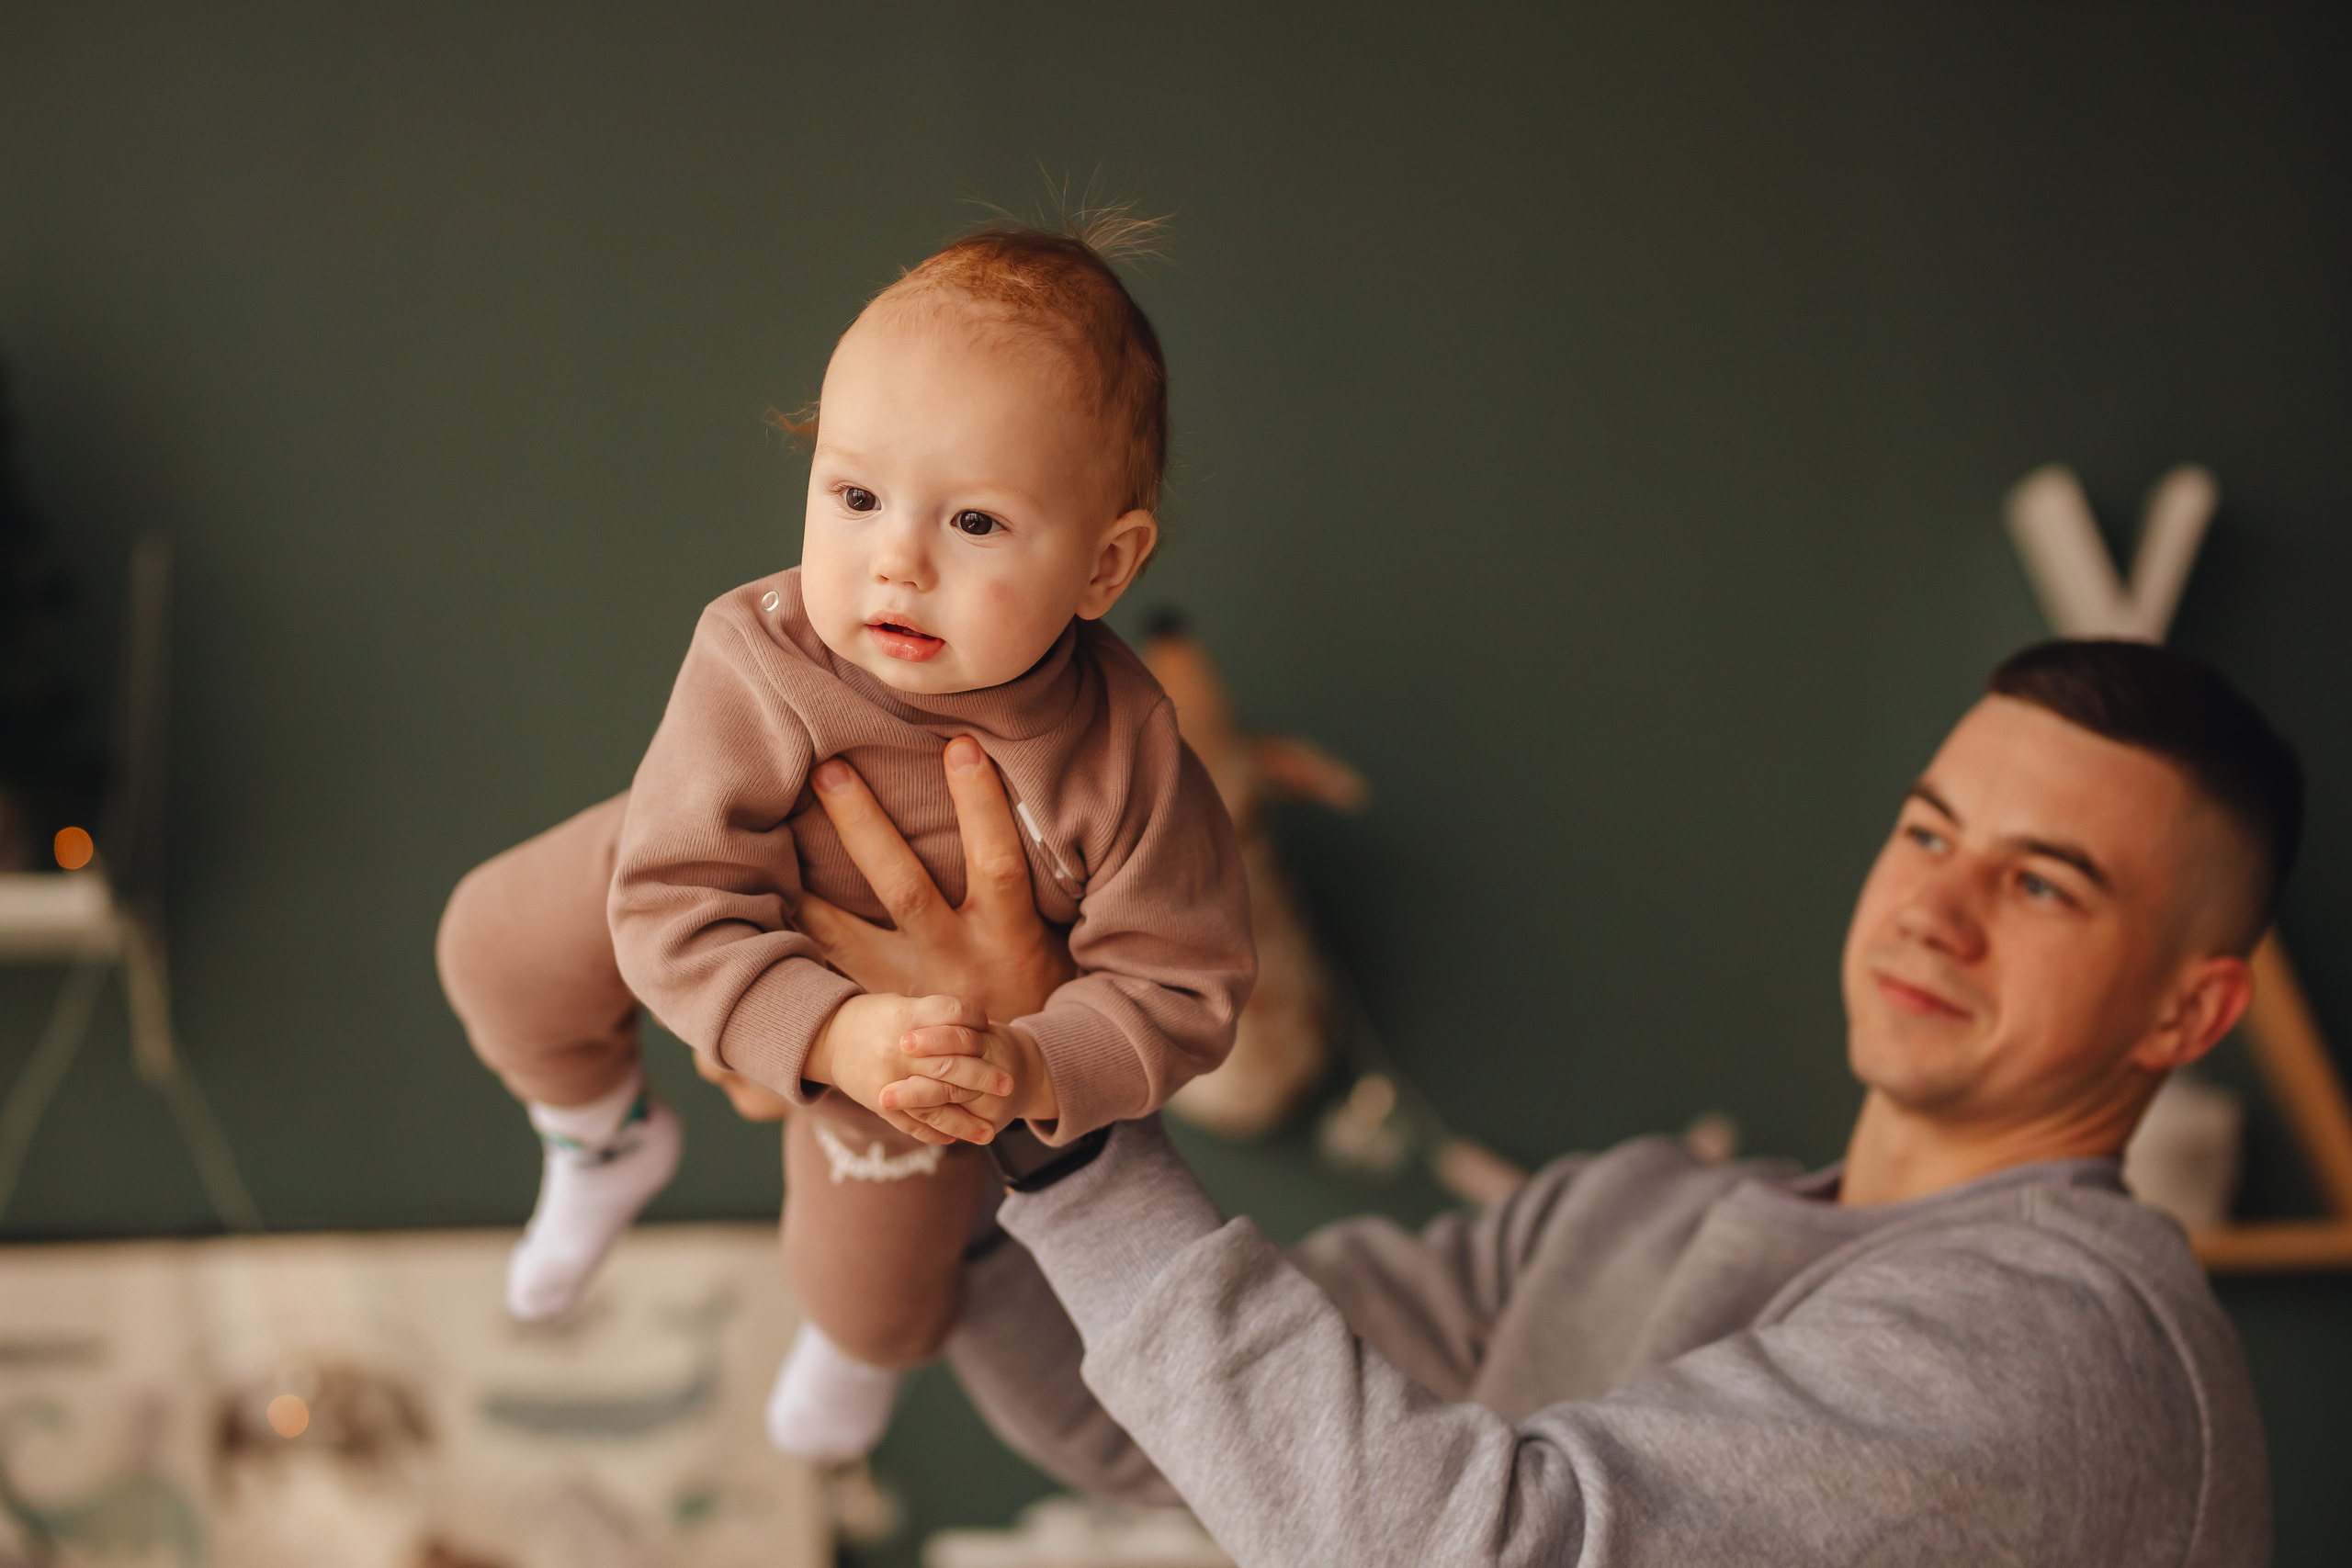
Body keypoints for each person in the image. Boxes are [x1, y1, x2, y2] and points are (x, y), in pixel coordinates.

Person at [797, 637, 2286, 1565]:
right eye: (1928, 832)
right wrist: (924, 1075)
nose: (1934, 912)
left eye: (2040, 884)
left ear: (2191, 1008)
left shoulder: (2064, 1347)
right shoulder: (1634, 1209)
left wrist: (1062, 1116)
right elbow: (1166, 1422)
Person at [435, 219, 1254, 1464]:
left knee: (875, 1301)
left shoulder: (1122, 751)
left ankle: (851, 1342)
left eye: (976, 523)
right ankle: (598, 1133)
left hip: (936, 1035)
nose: (897, 560)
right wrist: (815, 1030)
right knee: (492, 941)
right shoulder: (760, 651)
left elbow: (1183, 988)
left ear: (1105, 564)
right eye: (856, 495)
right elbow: (671, 901)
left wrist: (1027, 1068)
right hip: (732, 883)